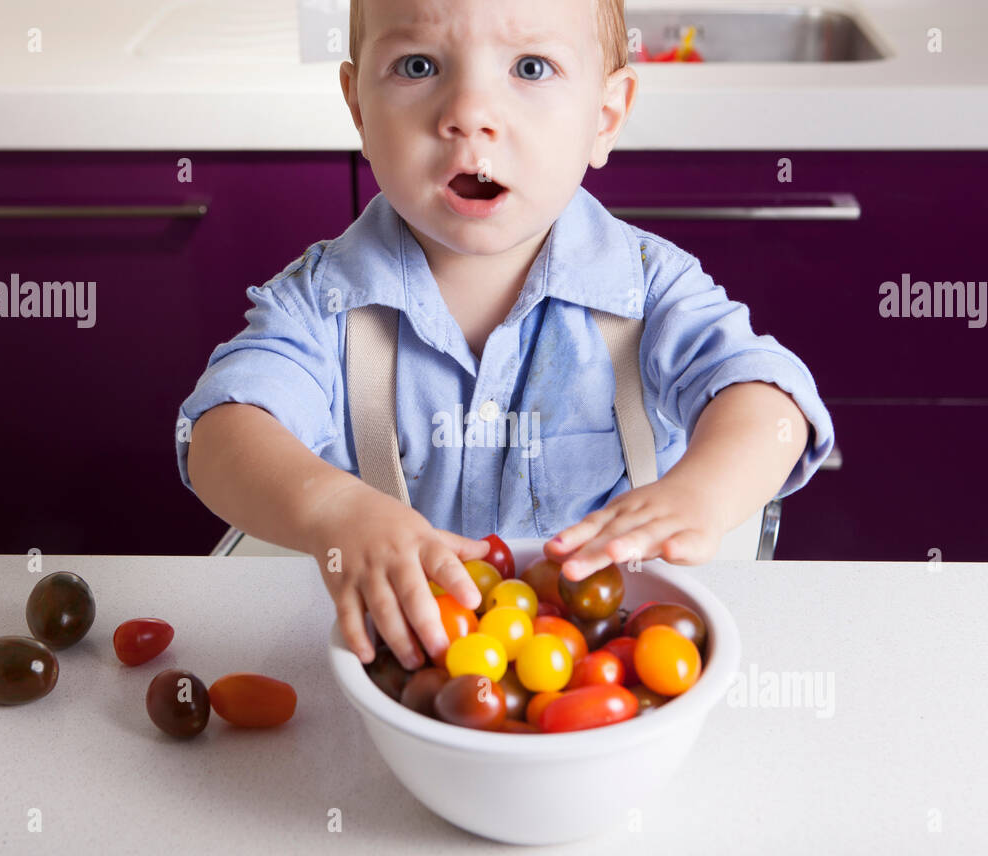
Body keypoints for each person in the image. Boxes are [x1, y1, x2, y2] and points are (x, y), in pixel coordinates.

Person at [177, 0, 835, 672]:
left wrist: (702, 491)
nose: (469, 112)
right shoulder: (322, 303)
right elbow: (221, 434)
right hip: (400, 654)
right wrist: (333, 509)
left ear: (604, 117)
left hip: (603, 663)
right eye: (417, 65)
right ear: (359, 111)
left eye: (530, 66)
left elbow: (769, 400)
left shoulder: (650, 288)